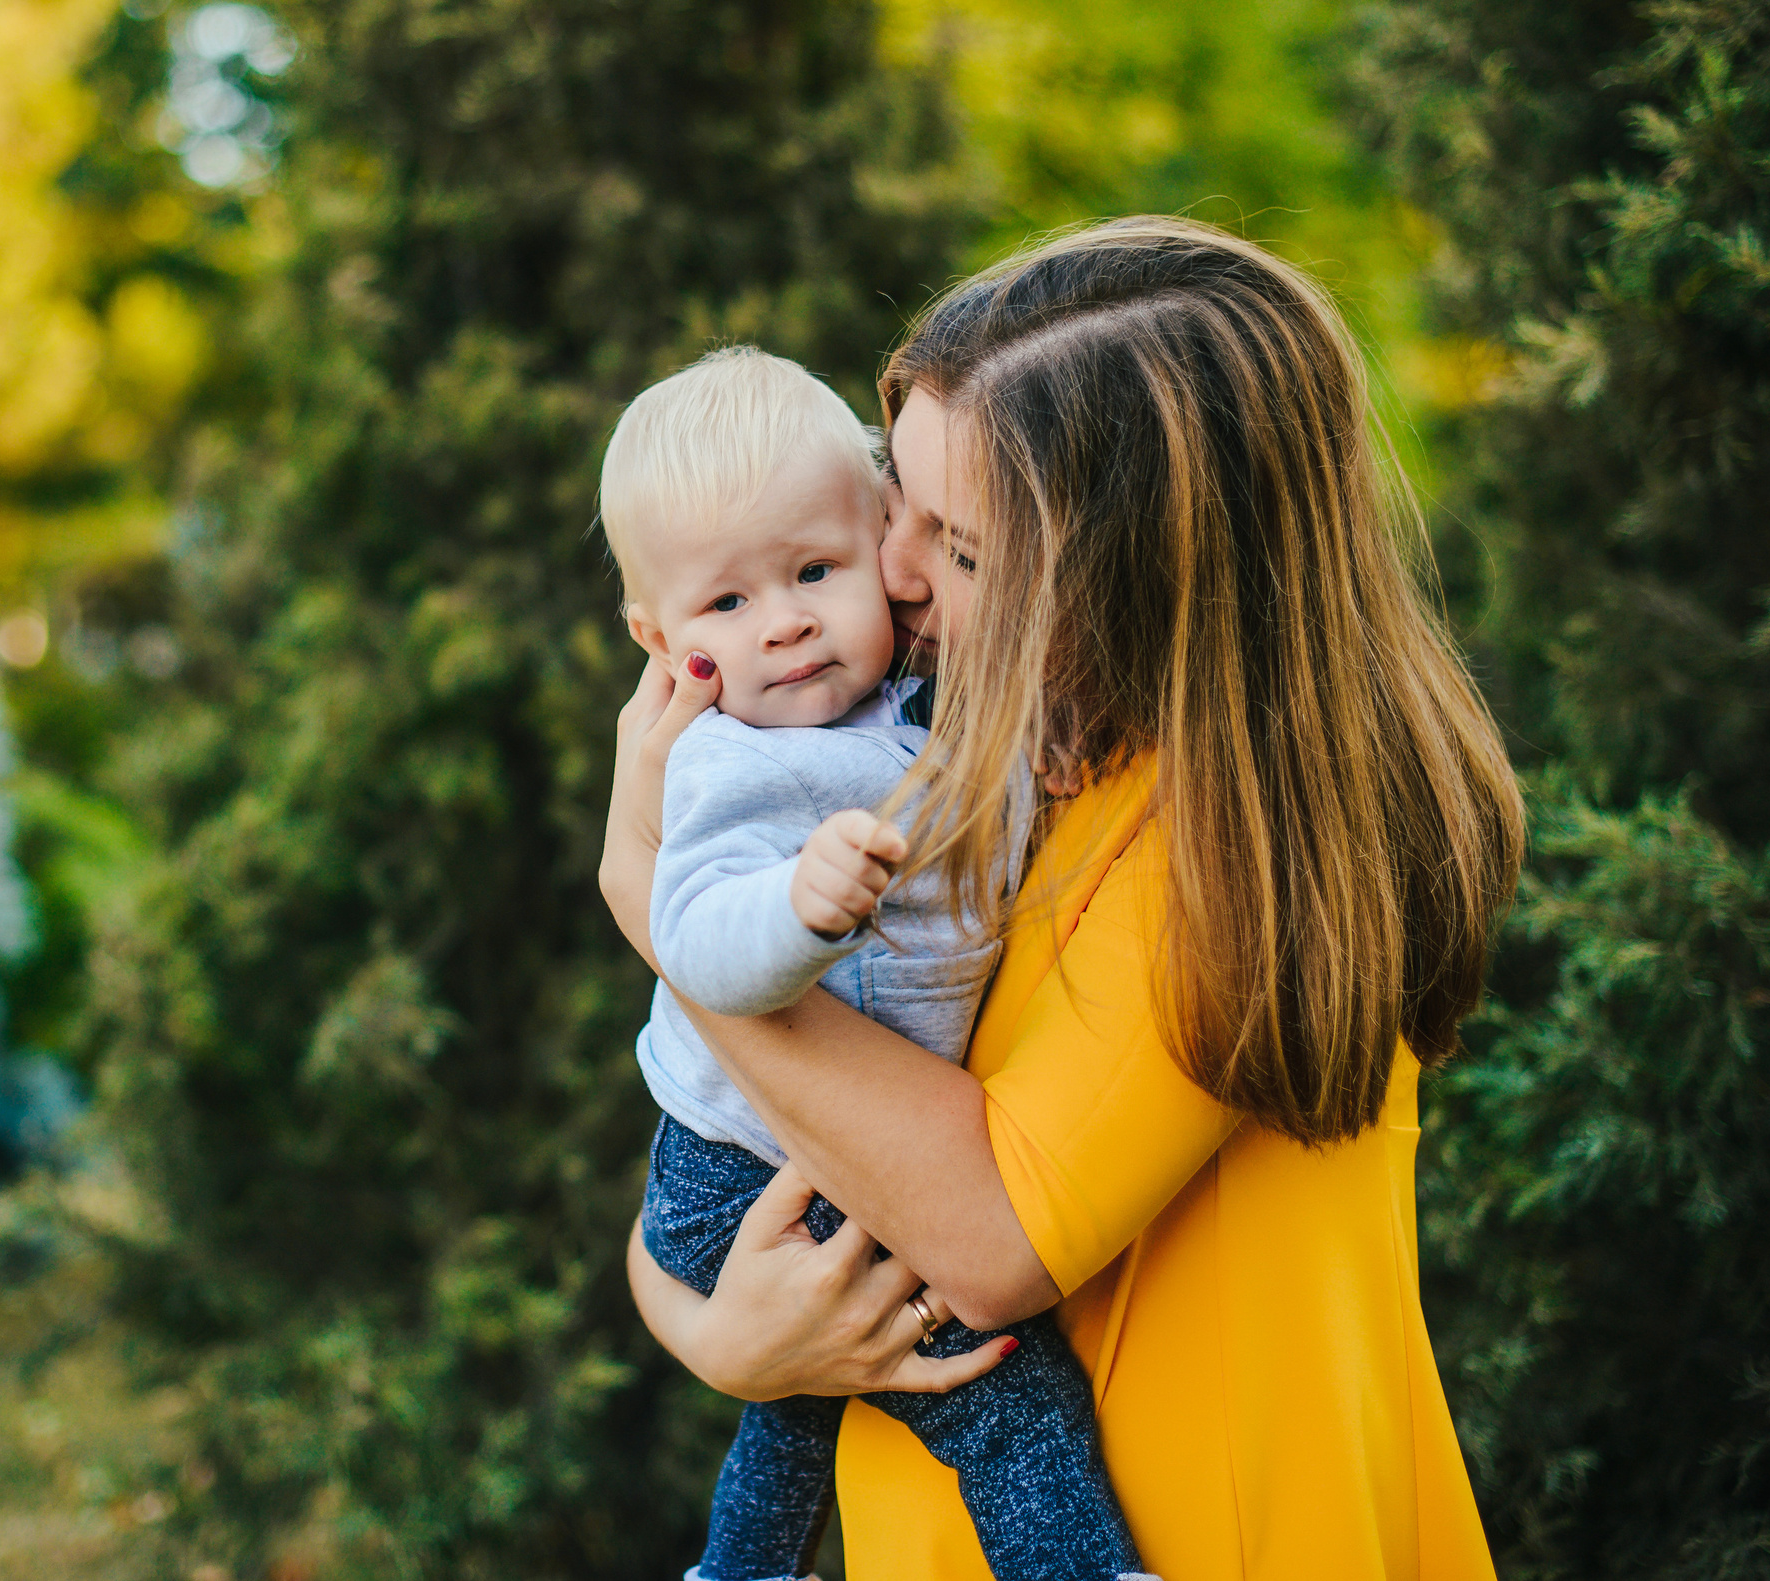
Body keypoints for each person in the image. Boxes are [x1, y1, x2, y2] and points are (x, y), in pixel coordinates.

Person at [600, 218, 1523, 1580]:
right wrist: (719, 1335)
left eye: (959, 547)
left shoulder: (1233, 849)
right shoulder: (987, 752)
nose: (896, 568)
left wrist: (652, 909)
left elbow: (981, 1234)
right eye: (890, 497)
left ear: (1136, 573)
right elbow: (752, 1150)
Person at [600, 347, 1147, 1581]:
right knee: (998, 1388)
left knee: (794, 1415)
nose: (784, 620)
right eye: (726, 606)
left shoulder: (898, 704)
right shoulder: (735, 763)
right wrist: (794, 907)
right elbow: (689, 936)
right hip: (742, 1164)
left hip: (790, 1151)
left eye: (813, 570)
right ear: (658, 638)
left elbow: (968, 769)